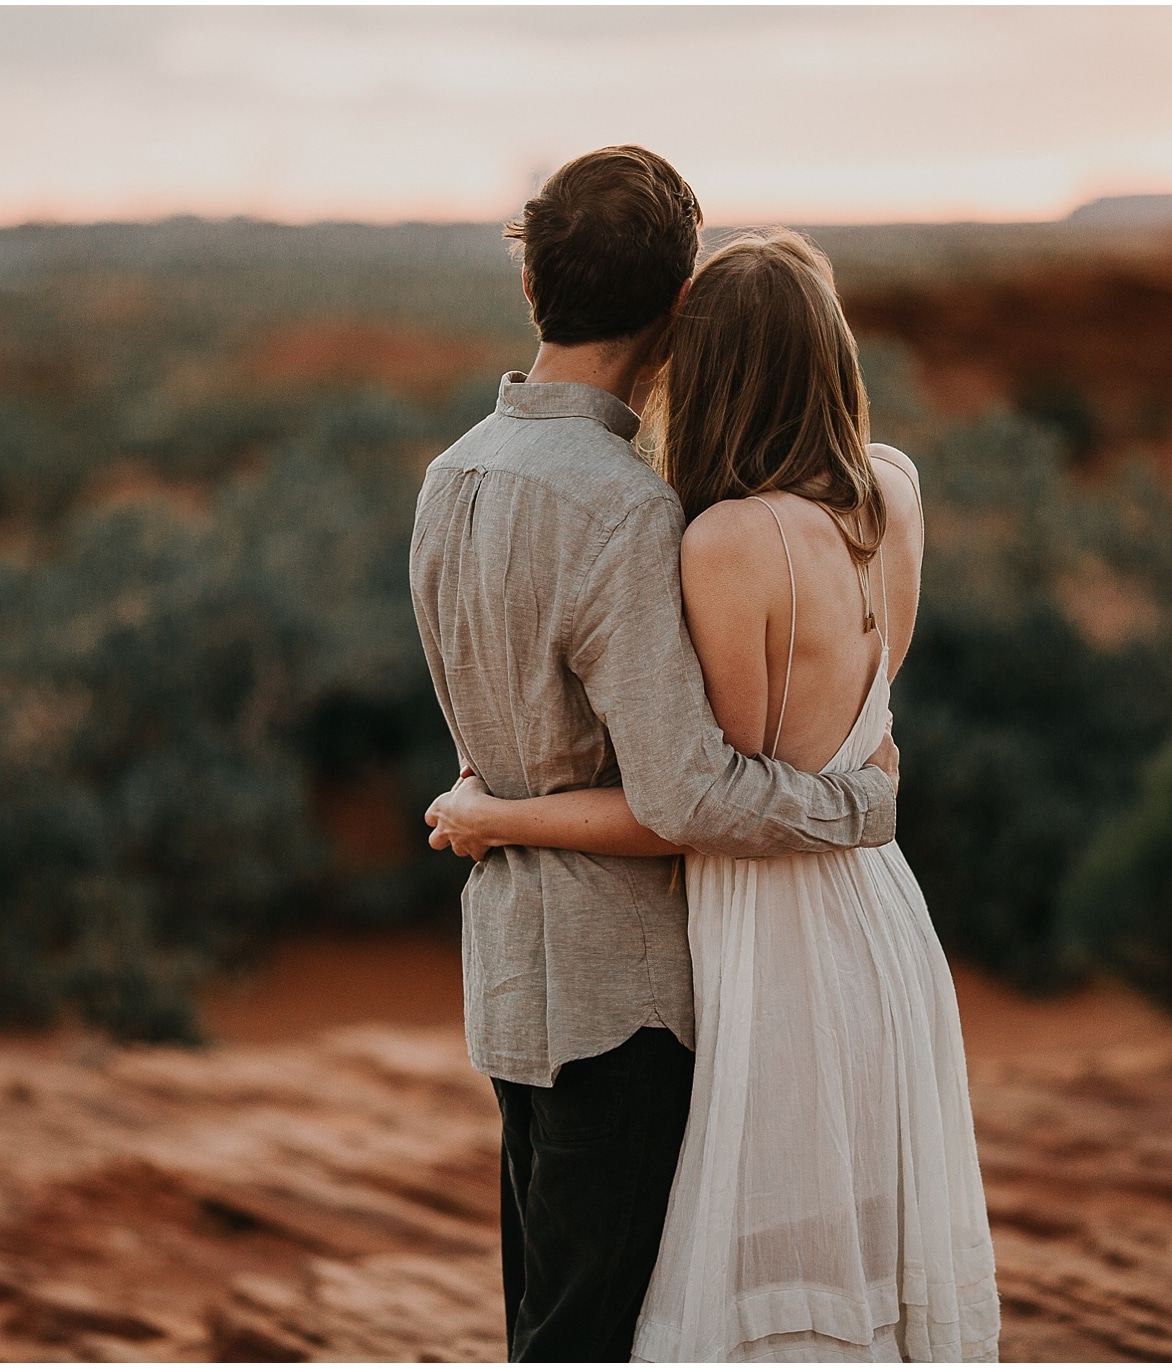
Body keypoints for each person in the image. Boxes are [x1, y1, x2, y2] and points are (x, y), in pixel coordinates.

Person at [425, 228, 1000, 1361]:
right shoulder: (892, 489)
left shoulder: (723, 541)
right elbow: (843, 746)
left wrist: (495, 813)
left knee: (753, 1276)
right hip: (881, 917)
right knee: (857, 1259)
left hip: (771, 928)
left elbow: (701, 799)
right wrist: (857, 801)